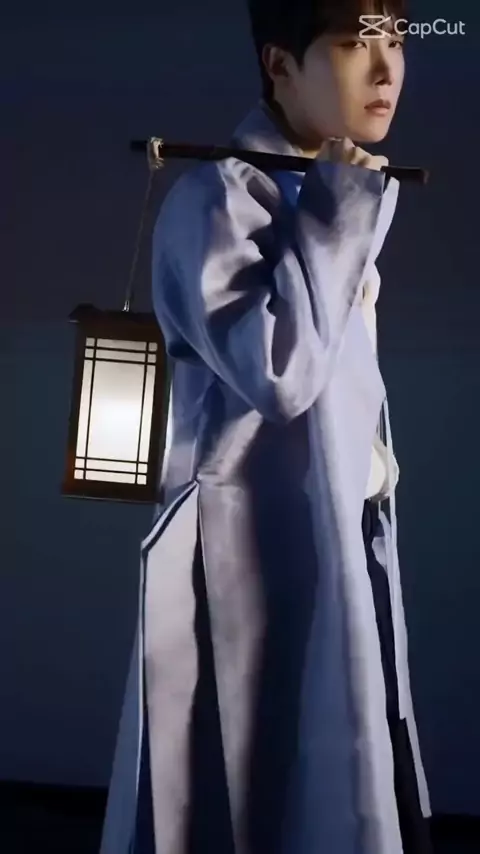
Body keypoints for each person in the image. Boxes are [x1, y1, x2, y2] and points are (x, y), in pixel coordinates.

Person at [100, 1, 432, 852]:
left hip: (340, 529)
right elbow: (280, 373)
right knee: (256, 788)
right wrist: (342, 211)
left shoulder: (332, 185)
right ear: (281, 65)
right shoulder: (213, 199)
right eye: (355, 45)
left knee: (354, 769)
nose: (387, 70)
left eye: (397, 42)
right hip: (249, 551)